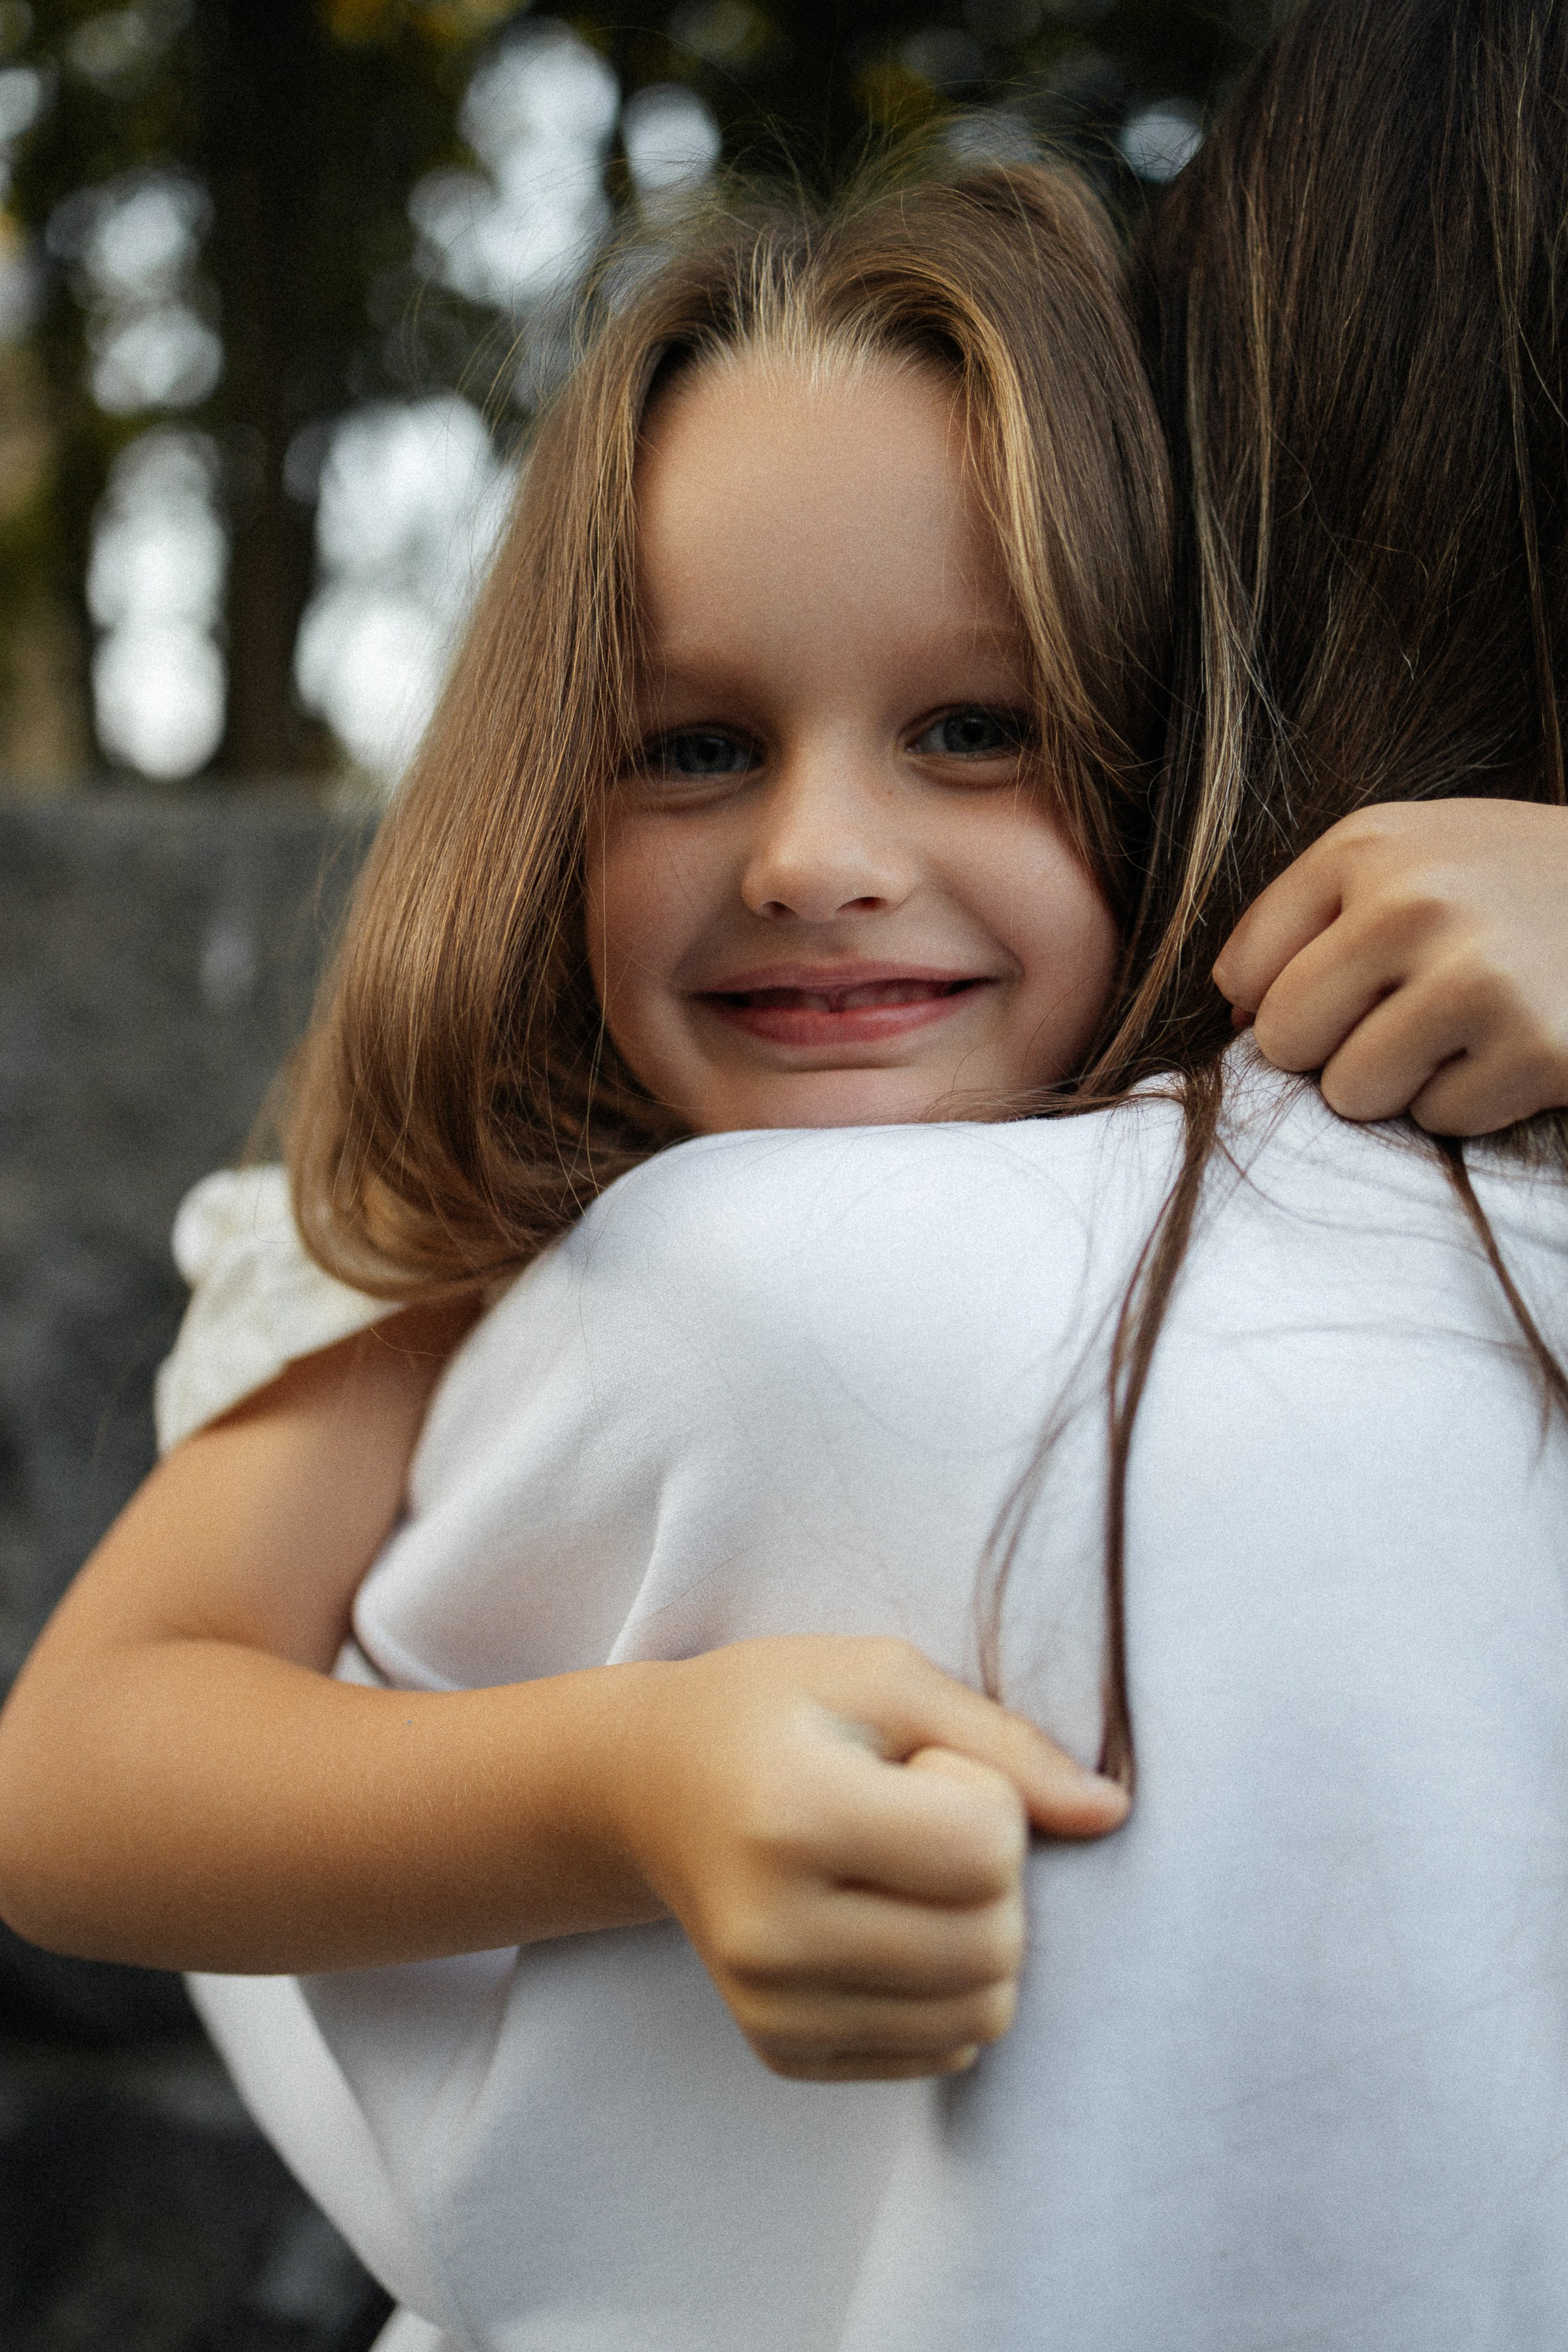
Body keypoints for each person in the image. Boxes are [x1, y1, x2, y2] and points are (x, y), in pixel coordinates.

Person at [3, 2, 1568, 2330]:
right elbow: (80, 1773)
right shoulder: (474, 1204)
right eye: (693, 747)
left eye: (974, 730)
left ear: (1171, 760)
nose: (819, 856)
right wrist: (630, 1780)